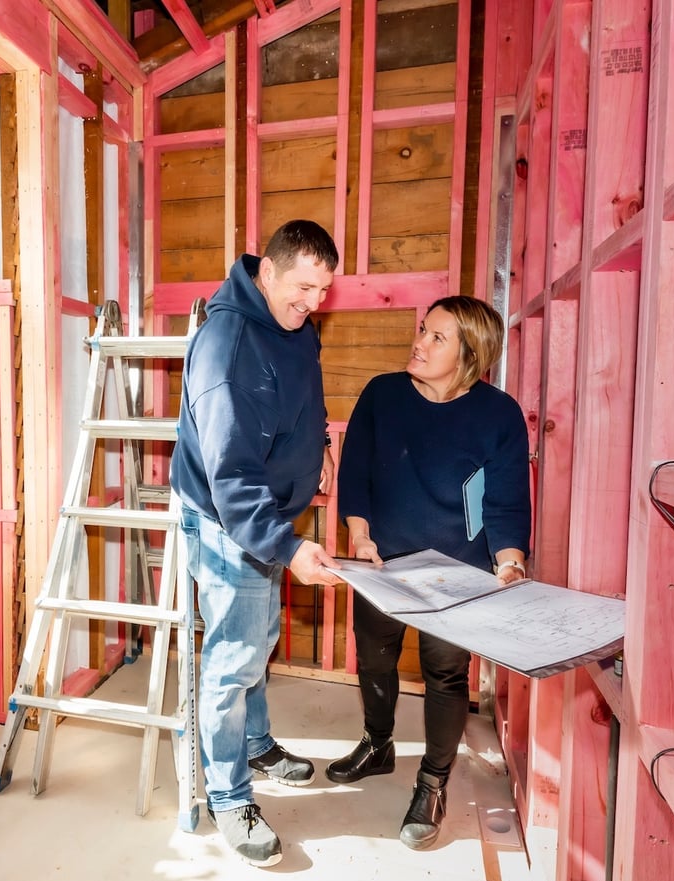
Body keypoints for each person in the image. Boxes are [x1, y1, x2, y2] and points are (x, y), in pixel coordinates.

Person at [325, 295, 531, 850]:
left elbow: (507, 500)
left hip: (457, 572)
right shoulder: (382, 394)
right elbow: (357, 474)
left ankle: (433, 783)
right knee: (375, 658)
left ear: (470, 355)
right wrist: (360, 536)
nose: (418, 342)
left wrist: (510, 562)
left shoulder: (499, 414)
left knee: (445, 675)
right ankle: (377, 743)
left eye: (437, 337)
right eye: (423, 329)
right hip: (382, 563)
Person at [170, 219, 341, 868]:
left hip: (267, 517)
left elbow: (306, 395)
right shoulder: (228, 348)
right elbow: (232, 476)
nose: (314, 303)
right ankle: (228, 793)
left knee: (259, 637)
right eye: (303, 288)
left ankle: (256, 741)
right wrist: (287, 547)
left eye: (323, 291)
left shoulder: (292, 324)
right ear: (267, 272)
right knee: (234, 655)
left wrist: (320, 444)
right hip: (228, 519)